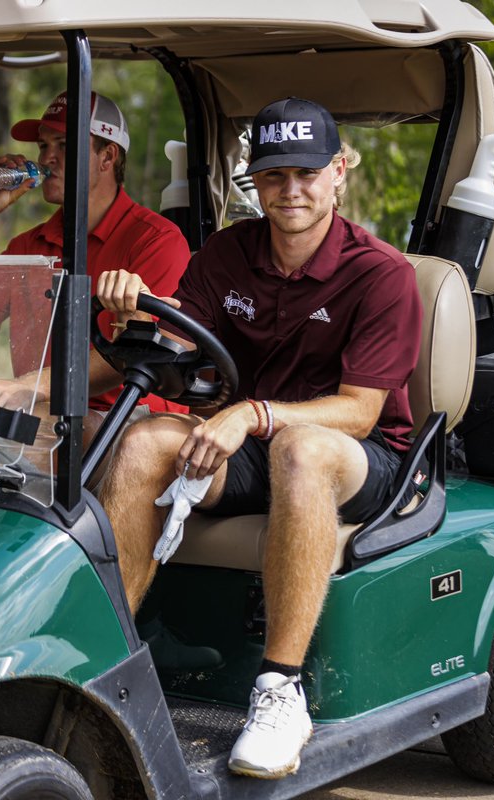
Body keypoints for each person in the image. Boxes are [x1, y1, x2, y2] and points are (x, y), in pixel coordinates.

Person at [95, 97, 423, 779]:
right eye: (275, 175)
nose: (291, 189)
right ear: (255, 178)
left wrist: (252, 415)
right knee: (142, 442)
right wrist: (127, 310)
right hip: (254, 440)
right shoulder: (228, 252)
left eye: (308, 173)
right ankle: (105, 668)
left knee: (298, 449)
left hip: (362, 457)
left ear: (340, 172)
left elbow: (361, 412)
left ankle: (280, 692)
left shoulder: (381, 273)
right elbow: (177, 346)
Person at [0, 91, 190, 432]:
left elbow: (135, 358)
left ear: (107, 157)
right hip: (39, 413)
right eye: (42, 146)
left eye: (64, 145)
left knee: (22, 430)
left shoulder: (156, 241)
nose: (48, 158)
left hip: (131, 423)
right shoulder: (30, 245)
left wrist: (27, 387)